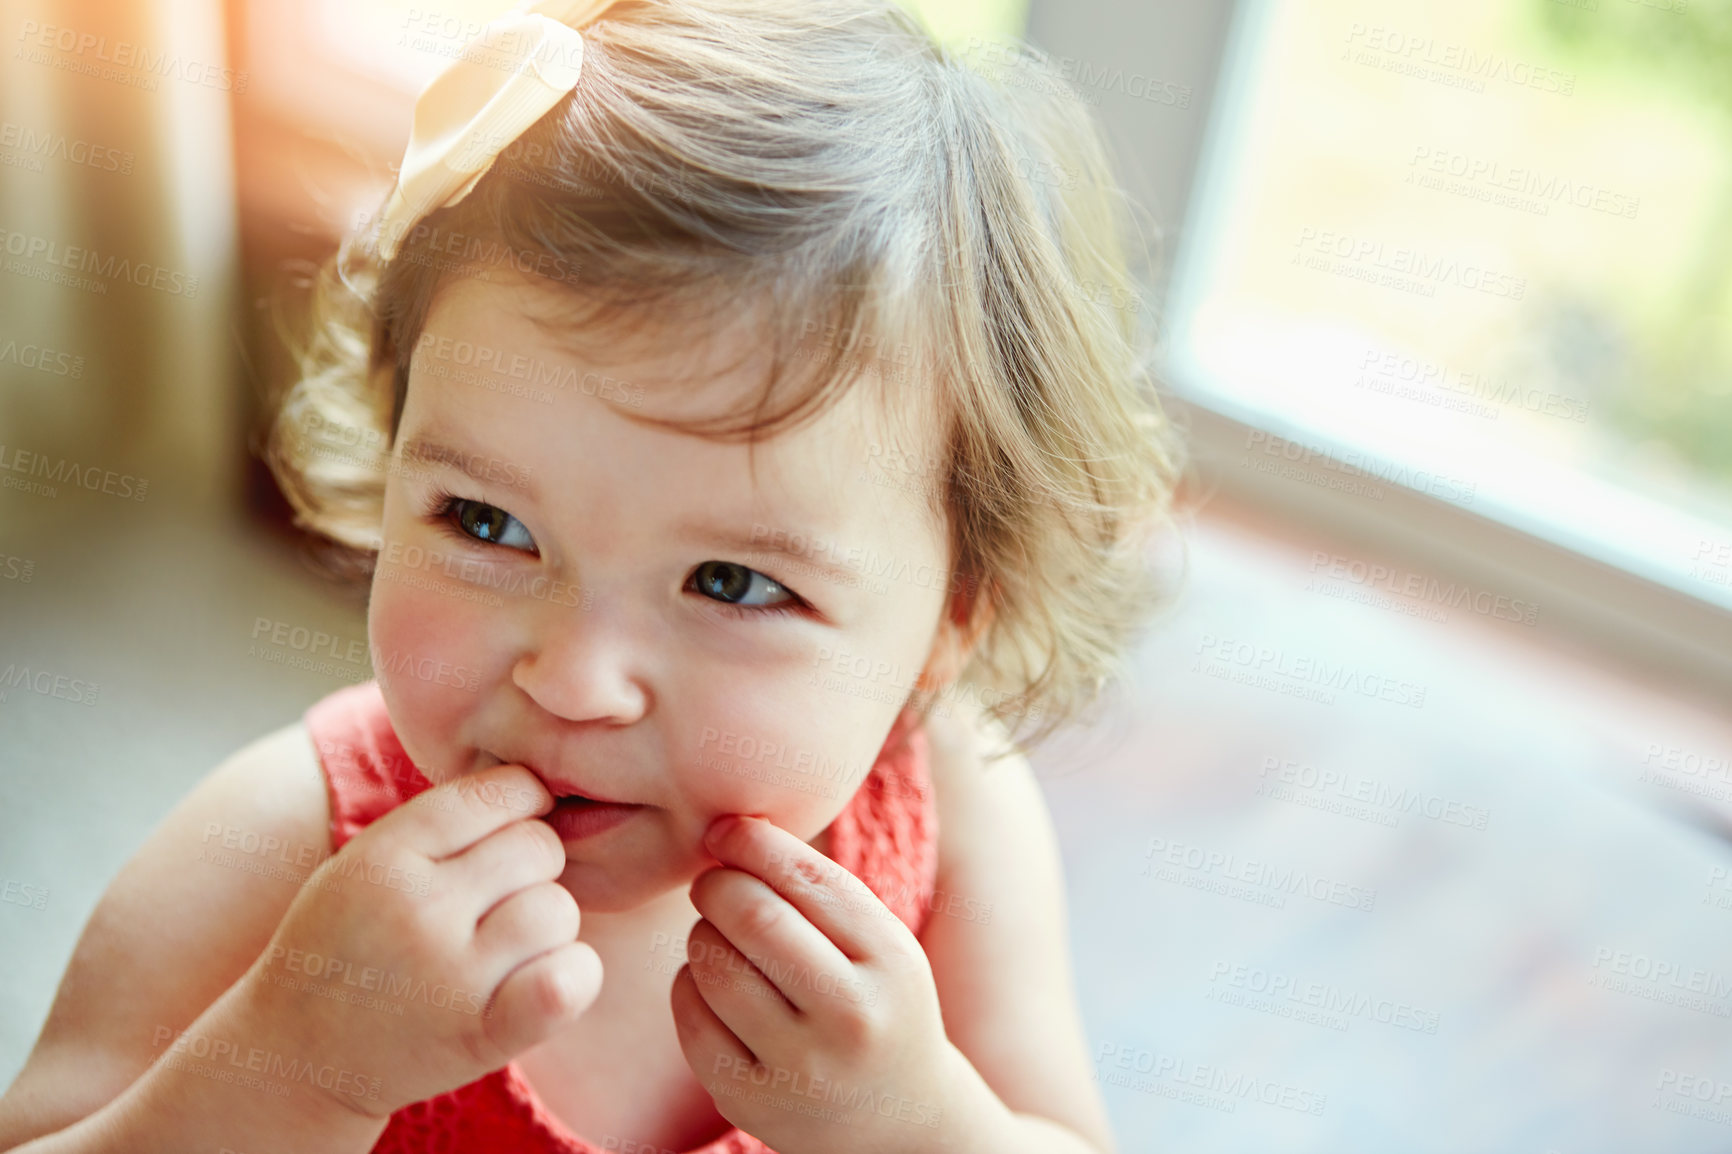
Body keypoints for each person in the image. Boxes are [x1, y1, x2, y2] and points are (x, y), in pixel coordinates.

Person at [0, 1, 1184, 1151]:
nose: (572, 679)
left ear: (947, 624)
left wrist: (910, 1121)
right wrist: (298, 1065)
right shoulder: (279, 845)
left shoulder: (955, 813)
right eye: (486, 519)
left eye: (730, 582)